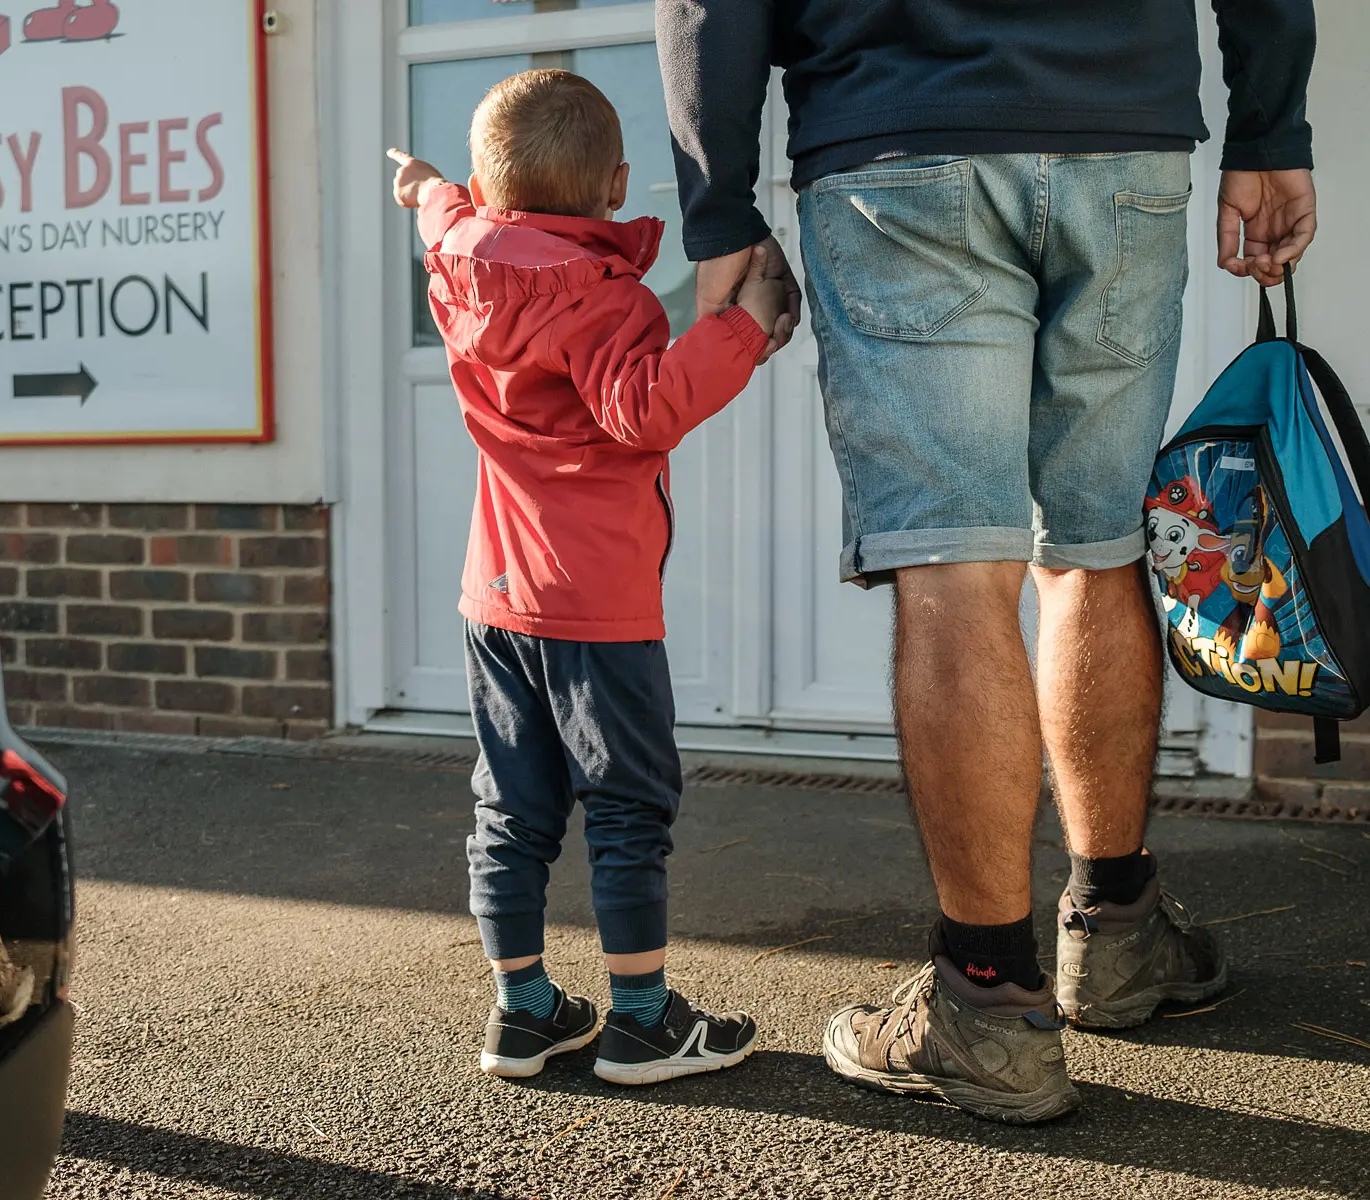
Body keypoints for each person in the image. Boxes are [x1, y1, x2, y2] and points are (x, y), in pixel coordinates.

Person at [659, 0, 1319, 1122]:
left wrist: (720, 202)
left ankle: (986, 1002)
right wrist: (1270, 129)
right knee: (1097, 544)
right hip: (1123, 140)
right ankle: (1115, 937)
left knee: (954, 566)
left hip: (898, 148)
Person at [387, 69, 789, 1086]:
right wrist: (744, 327)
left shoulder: (459, 261)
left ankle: (522, 1011)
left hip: (496, 596)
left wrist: (428, 186)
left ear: (487, 188)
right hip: (597, 605)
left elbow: (442, 216)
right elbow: (642, 411)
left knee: (511, 806)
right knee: (625, 804)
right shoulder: (604, 301)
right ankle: (643, 1022)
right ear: (616, 185)